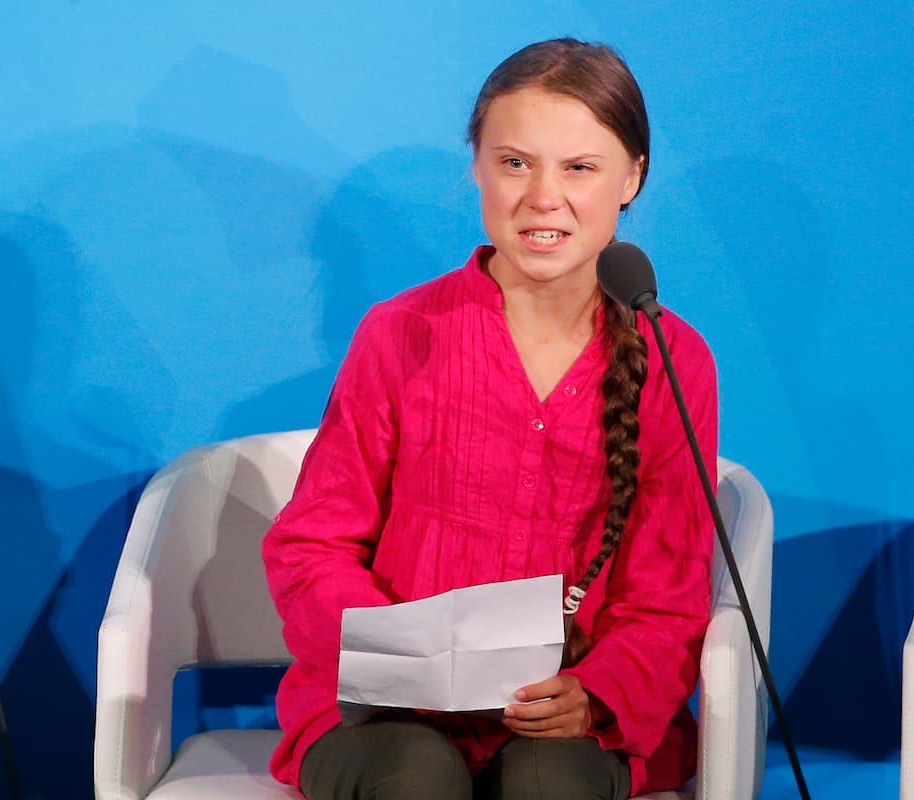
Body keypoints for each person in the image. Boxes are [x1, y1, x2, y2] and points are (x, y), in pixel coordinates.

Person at [263, 37, 719, 800]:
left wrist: (596, 693)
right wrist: (395, 657)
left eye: (579, 168)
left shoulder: (676, 360)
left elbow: (668, 589)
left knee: (548, 782)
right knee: (416, 775)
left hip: (567, 714)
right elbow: (313, 543)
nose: (543, 196)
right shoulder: (399, 332)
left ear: (632, 177)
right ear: (477, 166)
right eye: (515, 163)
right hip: (389, 712)